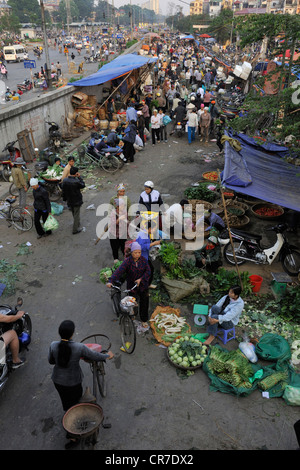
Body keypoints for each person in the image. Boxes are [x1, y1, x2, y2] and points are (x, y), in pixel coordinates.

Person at [48, 320, 114, 448]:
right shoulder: (79, 347)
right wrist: (107, 356)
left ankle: (70, 423)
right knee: (77, 403)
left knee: (67, 404)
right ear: (72, 334)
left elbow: (51, 361)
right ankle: (75, 435)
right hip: (73, 382)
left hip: (57, 381)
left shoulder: (53, 345)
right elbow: (94, 355)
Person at [107, 242, 151, 326]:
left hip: (143, 286)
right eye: (135, 253)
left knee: (144, 303)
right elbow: (119, 271)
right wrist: (111, 281)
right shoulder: (127, 262)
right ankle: (133, 315)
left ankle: (144, 319)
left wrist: (141, 279)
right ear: (131, 252)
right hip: (132, 286)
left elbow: (148, 271)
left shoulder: (144, 260)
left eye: (139, 252)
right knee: (132, 303)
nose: (138, 254)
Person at [62, 166, 85, 234]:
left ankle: (77, 223)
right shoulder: (76, 181)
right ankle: (75, 229)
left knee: (73, 212)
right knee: (76, 214)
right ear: (76, 173)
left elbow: (63, 191)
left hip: (69, 200)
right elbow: (83, 185)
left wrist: (65, 199)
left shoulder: (65, 180)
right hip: (76, 199)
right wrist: (79, 177)